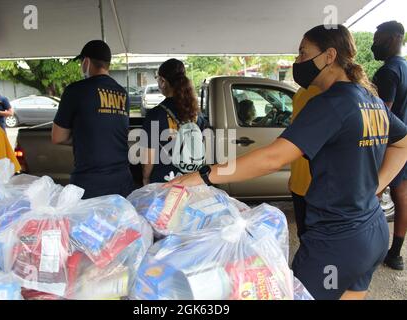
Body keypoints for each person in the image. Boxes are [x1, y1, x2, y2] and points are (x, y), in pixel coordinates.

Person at [166, 25, 407, 300]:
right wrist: (377, 184)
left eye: (304, 53)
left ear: (329, 55)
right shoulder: (370, 100)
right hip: (372, 232)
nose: (297, 62)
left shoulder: (329, 103)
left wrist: (205, 175)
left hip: (336, 242)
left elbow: (273, 158)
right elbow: (402, 143)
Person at [52, 40, 134, 199]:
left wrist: (82, 136)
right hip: (122, 180)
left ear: (87, 62)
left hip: (89, 183)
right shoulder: (123, 94)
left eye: (82, 62)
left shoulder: (75, 91)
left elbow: (57, 137)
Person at [372, 21, 407, 271]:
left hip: (390, 147)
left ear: (395, 37)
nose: (375, 43)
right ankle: (395, 253)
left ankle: (368, 251)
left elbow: (382, 116)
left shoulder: (388, 72)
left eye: (379, 38)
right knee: (402, 196)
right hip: (404, 143)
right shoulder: (404, 67)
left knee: (371, 197)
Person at [141, 59, 207, 185]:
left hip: (164, 181)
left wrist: (145, 178)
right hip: (191, 180)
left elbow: (149, 156)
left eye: (157, 78)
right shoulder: (196, 113)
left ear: (163, 81)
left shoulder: (156, 114)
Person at [289, 85, 322, 239]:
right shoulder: (303, 91)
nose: (298, 60)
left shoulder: (329, 94)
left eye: (301, 57)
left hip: (314, 183)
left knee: (311, 235)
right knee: (308, 234)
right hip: (304, 182)